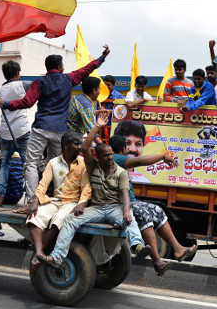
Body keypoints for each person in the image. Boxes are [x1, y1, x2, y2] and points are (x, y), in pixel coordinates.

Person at [0, 45, 110, 205]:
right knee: (57, 163)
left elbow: (27, 102)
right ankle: (57, 199)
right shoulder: (68, 79)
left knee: (31, 163)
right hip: (60, 131)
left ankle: (32, 201)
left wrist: (7, 104)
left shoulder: (40, 82)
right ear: (59, 66)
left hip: (41, 127)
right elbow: (87, 69)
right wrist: (102, 57)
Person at [41, 110, 147, 267]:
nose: (110, 158)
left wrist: (125, 211)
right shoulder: (93, 167)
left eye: (111, 154)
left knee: (129, 218)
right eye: (106, 155)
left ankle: (138, 246)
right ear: (98, 157)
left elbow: (125, 194)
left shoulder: (121, 172)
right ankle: (56, 257)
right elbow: (85, 147)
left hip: (114, 209)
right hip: (97, 209)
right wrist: (97, 127)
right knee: (70, 220)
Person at [108, 131, 199, 268]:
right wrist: (162, 156)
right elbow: (140, 161)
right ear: (124, 148)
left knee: (157, 210)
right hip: (122, 204)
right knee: (145, 215)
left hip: (130, 202)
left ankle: (178, 249)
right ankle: (157, 260)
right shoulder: (117, 158)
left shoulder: (116, 159)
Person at [26, 131, 89, 267]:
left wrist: (82, 203)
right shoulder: (53, 163)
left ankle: (40, 251)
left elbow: (86, 188)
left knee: (59, 220)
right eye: (76, 144)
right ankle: (39, 252)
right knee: (34, 217)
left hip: (72, 203)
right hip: (55, 200)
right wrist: (36, 200)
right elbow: (43, 184)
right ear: (66, 146)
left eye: (80, 144)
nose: (80, 147)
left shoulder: (83, 163)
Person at [0, 60, 31, 206]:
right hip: (22, 131)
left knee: (4, 164)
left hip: (5, 133)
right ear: (18, 73)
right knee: (28, 164)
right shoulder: (24, 84)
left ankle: (0, 197)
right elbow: (39, 86)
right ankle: (30, 197)